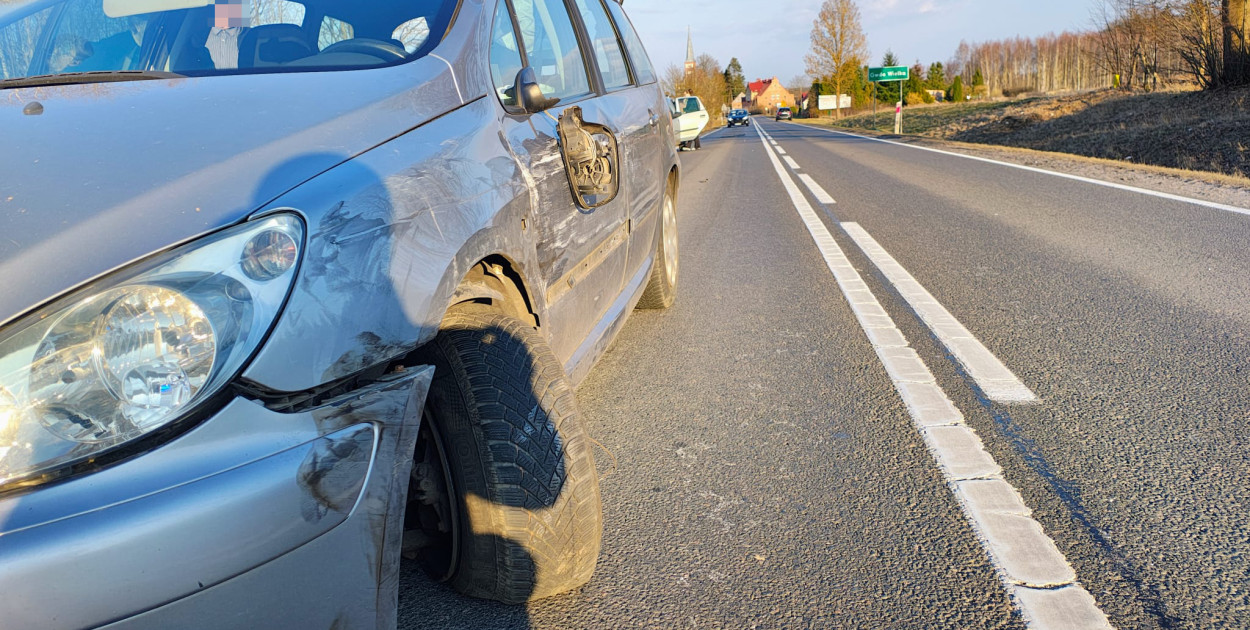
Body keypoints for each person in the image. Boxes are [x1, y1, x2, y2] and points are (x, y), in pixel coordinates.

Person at [65, 16, 147, 72]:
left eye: (74, 37)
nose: (77, 37)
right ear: (74, 62)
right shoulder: (93, 79)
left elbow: (129, 37)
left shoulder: (104, 45)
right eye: (72, 43)